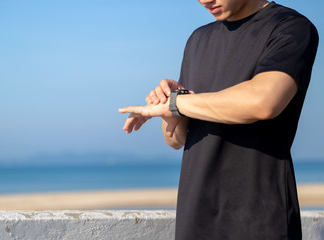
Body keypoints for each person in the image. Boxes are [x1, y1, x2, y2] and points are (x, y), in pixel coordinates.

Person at [119, 0, 319, 239]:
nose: (205, 0)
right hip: (194, 217)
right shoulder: (197, 40)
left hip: (260, 218)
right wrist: (169, 110)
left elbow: (263, 102)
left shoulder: (290, 27)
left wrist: (177, 103)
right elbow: (176, 140)